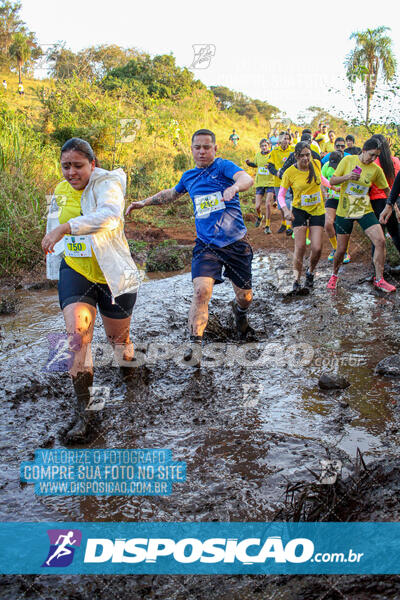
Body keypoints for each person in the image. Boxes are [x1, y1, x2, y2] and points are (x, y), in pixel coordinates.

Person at [126, 129, 254, 366]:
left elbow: (246, 178)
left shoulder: (224, 167)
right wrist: (144, 202)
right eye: (198, 147)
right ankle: (195, 346)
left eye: (207, 147)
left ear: (215, 149)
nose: (202, 151)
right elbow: (171, 194)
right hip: (206, 245)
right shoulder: (189, 176)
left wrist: (235, 188)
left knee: (245, 297)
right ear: (192, 150)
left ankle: (240, 312)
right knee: (201, 292)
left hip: (236, 244)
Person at [41, 138, 140, 442]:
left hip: (113, 275)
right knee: (76, 339)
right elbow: (51, 229)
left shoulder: (107, 184)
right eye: (65, 166)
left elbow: (110, 216)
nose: (71, 172)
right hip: (77, 271)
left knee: (118, 341)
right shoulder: (58, 191)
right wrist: (52, 267)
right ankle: (87, 414)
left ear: (92, 164)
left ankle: (133, 380)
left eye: (78, 166)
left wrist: (67, 227)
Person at [327, 137, 395, 293]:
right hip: (345, 210)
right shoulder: (348, 160)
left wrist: (393, 207)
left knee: (380, 240)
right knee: (341, 250)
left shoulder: (375, 170)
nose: (373, 159)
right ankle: (334, 275)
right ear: (363, 150)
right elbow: (332, 181)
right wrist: (347, 177)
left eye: (376, 156)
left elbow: (386, 189)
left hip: (363, 209)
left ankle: (379, 279)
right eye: (371, 155)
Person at [279, 142, 329, 291]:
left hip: (317, 210)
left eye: (308, 155)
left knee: (317, 247)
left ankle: (310, 272)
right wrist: (286, 211)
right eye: (302, 156)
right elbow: (281, 195)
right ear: (296, 156)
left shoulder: (316, 164)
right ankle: (296, 280)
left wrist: (331, 186)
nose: (306, 158)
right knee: (300, 246)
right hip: (299, 210)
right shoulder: (289, 172)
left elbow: (320, 178)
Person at [369, 134, 400, 257]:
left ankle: (377, 272)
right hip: (395, 201)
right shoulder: (396, 161)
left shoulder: (372, 162)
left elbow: (367, 184)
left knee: (376, 239)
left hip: (377, 203)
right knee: (396, 234)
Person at [321, 151, 351, 264]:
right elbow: (321, 181)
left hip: (345, 199)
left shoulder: (348, 167)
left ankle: (345, 251)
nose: (333, 168)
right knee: (328, 224)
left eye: (335, 165)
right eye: (331, 165)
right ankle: (335, 248)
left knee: (343, 226)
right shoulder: (326, 166)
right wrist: (325, 193)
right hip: (332, 198)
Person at [267, 132, 294, 235]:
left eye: (287, 138)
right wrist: (277, 173)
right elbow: (270, 166)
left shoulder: (293, 150)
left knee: (287, 201)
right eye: (283, 138)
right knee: (280, 204)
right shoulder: (274, 151)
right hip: (278, 182)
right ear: (279, 140)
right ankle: (283, 223)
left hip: (290, 182)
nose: (285, 140)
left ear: (289, 140)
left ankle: (289, 226)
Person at [245, 139, 274, 233]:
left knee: (268, 204)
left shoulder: (272, 154)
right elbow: (256, 165)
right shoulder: (258, 155)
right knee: (257, 206)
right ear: (260, 147)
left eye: (265, 145)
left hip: (270, 182)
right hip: (260, 182)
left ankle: (267, 226)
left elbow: (276, 165)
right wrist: (249, 163)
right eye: (262, 146)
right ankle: (260, 217)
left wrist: (271, 167)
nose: (264, 147)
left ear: (269, 146)